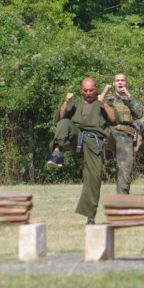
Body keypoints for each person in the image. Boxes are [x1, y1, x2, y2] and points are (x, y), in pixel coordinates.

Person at [47, 77, 119, 224]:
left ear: (96, 88)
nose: (88, 93)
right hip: (76, 137)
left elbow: (115, 119)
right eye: (85, 90)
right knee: (65, 122)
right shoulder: (76, 103)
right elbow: (60, 118)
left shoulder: (103, 102)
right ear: (81, 90)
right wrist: (66, 102)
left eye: (91, 90)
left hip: (93, 141)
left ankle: (90, 216)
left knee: (94, 177)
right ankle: (56, 153)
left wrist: (104, 102)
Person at [107, 73, 144, 195]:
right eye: (117, 80)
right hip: (110, 134)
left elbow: (140, 113)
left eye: (122, 80)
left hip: (126, 137)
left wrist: (129, 96)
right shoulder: (109, 100)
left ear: (126, 83)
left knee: (125, 170)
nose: (120, 83)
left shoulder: (130, 100)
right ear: (113, 83)